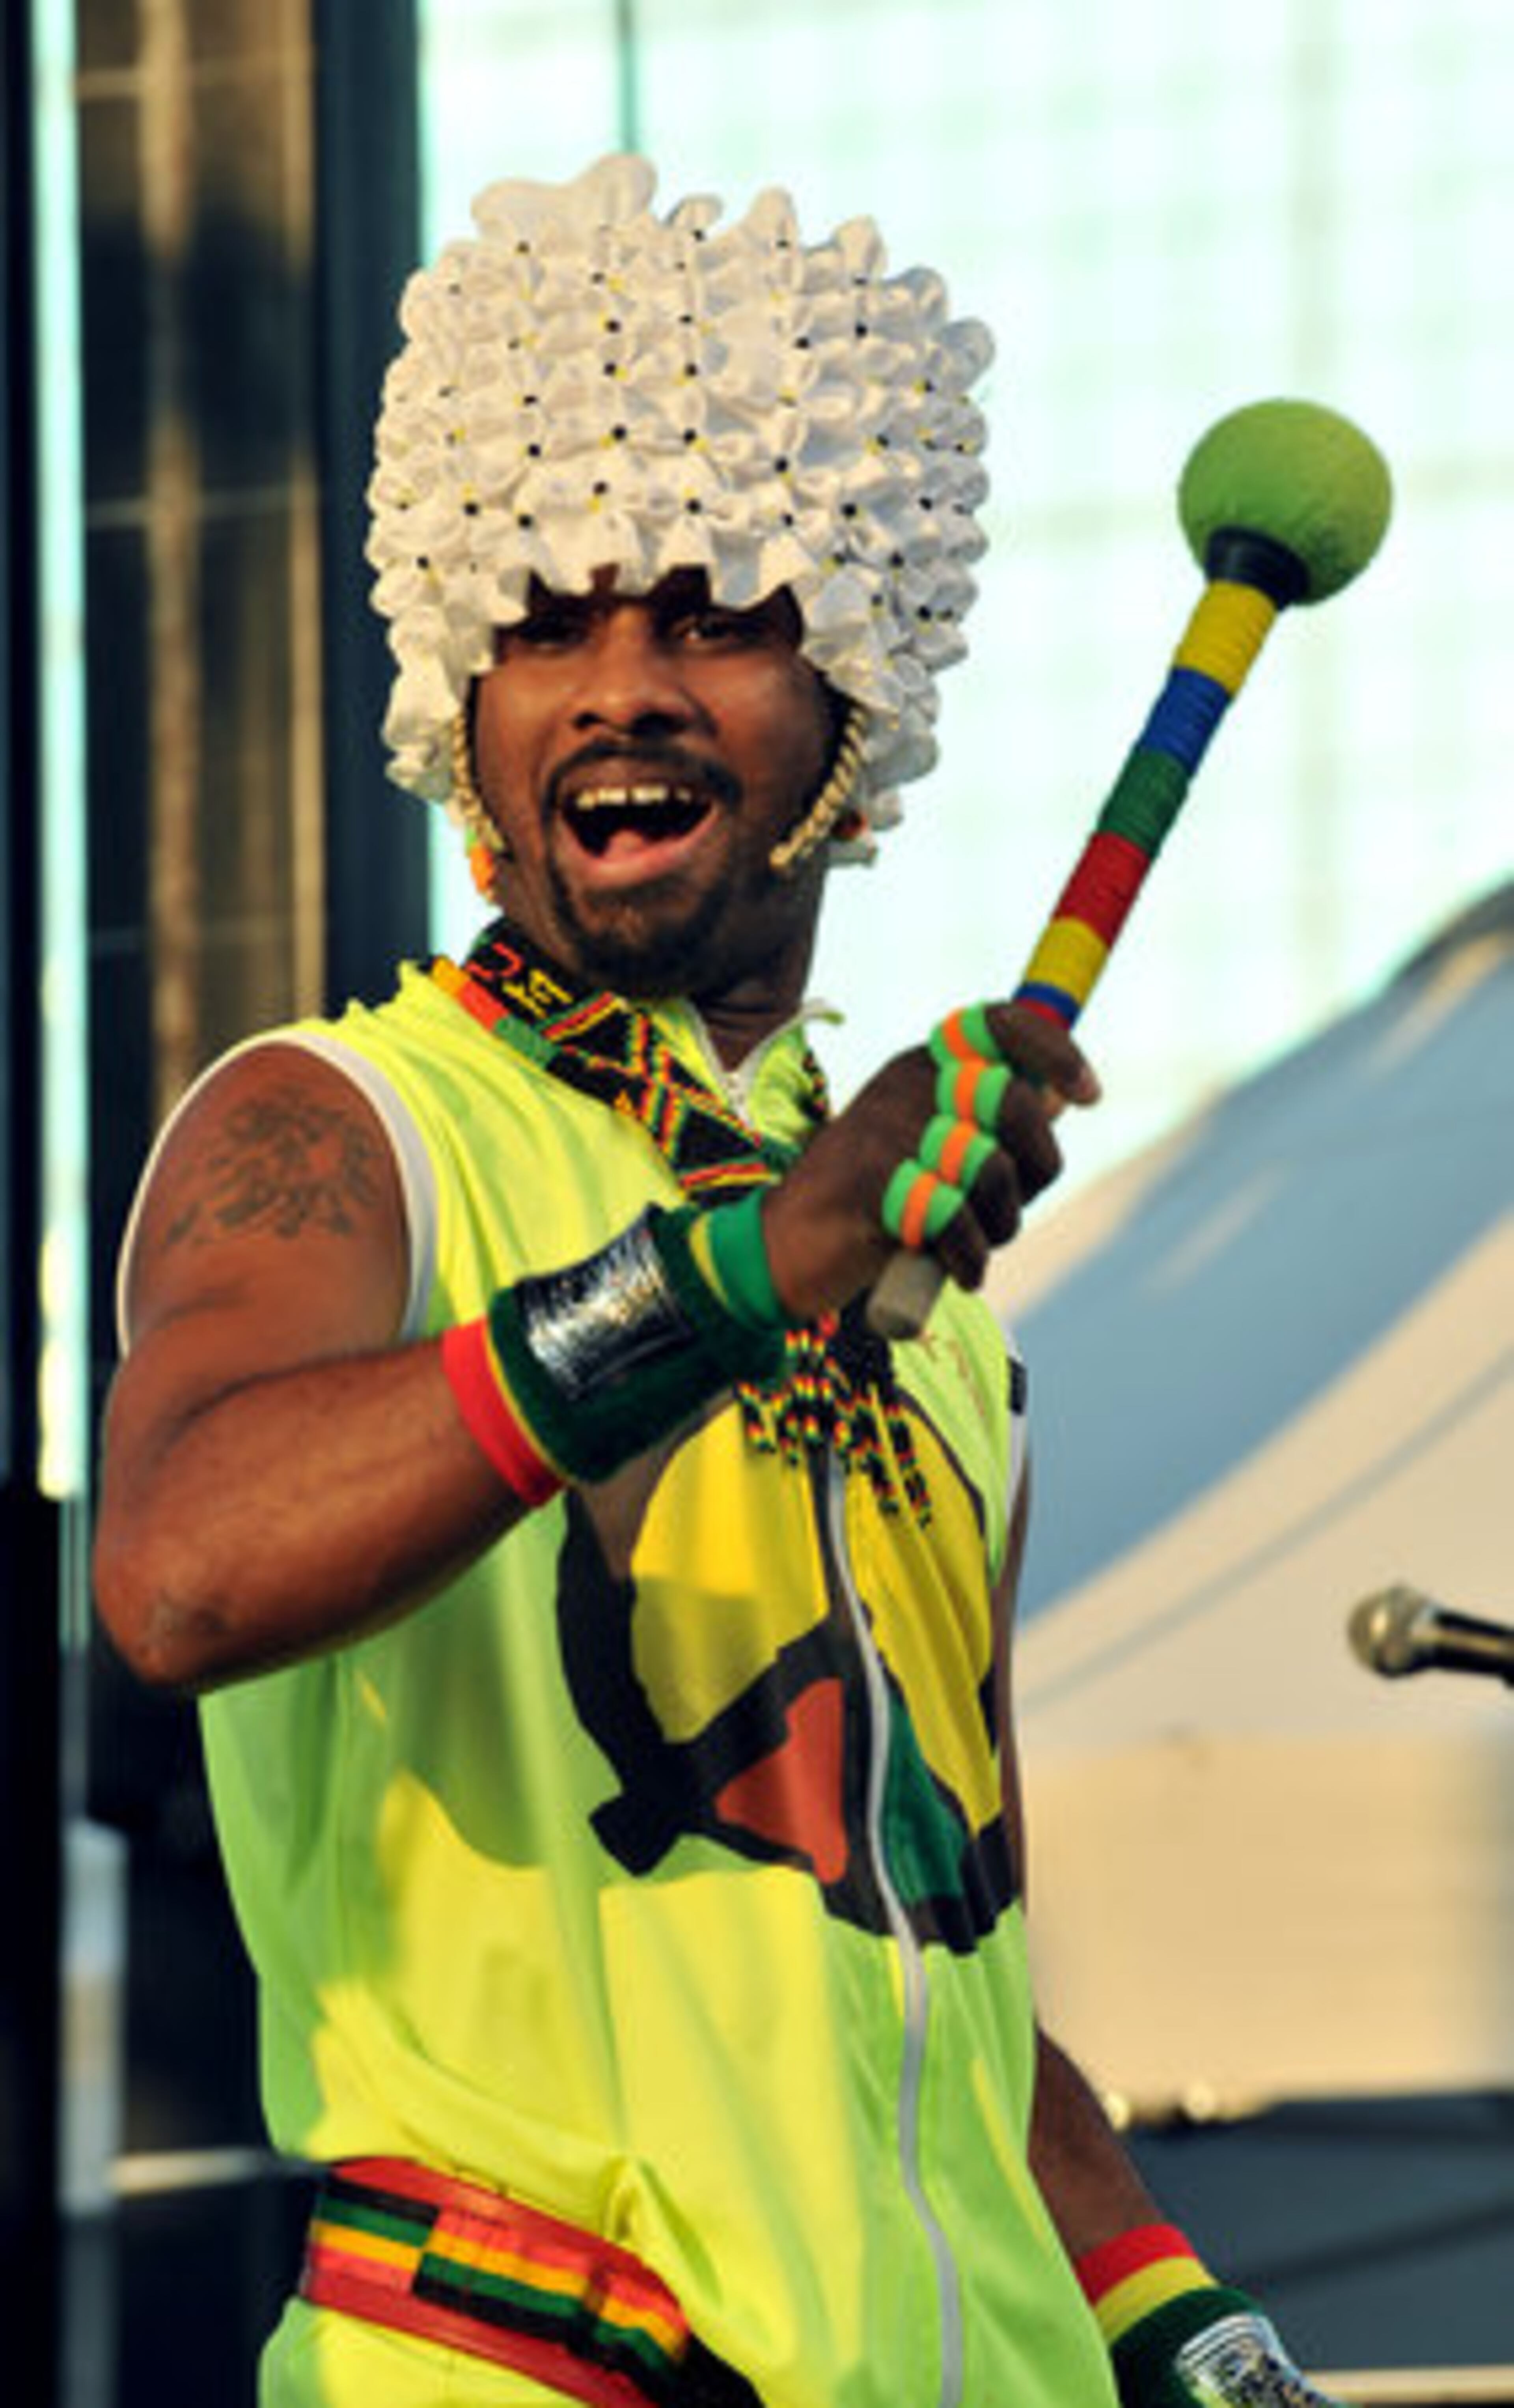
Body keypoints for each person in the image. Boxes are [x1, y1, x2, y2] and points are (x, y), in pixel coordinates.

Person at [94, 157, 1339, 2408]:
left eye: (715, 614)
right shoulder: (338, 1123)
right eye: (551, 622)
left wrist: (1212, 2346)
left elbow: (934, 1960)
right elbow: (180, 1571)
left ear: (850, 721)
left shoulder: (948, 1339)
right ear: (464, 715)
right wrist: (743, 1265)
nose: (623, 690)